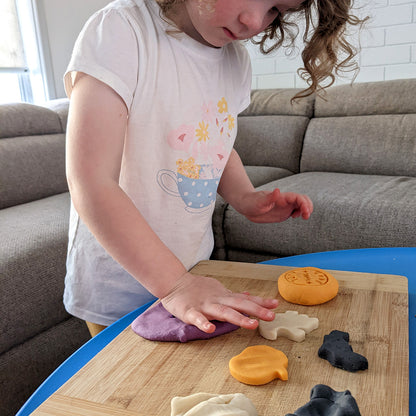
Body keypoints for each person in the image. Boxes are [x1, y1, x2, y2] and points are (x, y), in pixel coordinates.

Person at [64, 0, 364, 337]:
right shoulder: (121, 30)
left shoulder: (235, 60)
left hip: (195, 277)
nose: (253, 21)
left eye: (275, 10)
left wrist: (245, 197)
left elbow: (213, 143)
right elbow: (91, 181)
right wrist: (175, 284)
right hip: (119, 283)